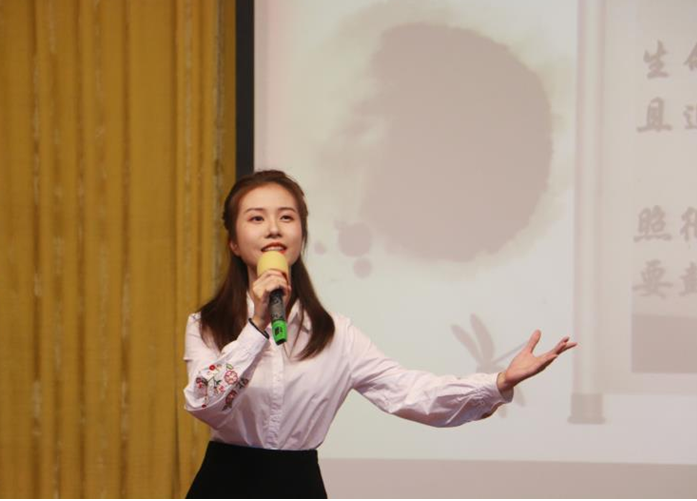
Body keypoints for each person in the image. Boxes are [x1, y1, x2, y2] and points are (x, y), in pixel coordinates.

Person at [183, 170, 577, 499]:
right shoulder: (206, 324)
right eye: (256, 218)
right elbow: (204, 403)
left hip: (298, 485)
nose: (273, 228)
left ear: (302, 235)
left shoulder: (337, 335)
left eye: (287, 217)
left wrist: (498, 382)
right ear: (234, 242)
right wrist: (257, 326)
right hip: (224, 484)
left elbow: (409, 392)